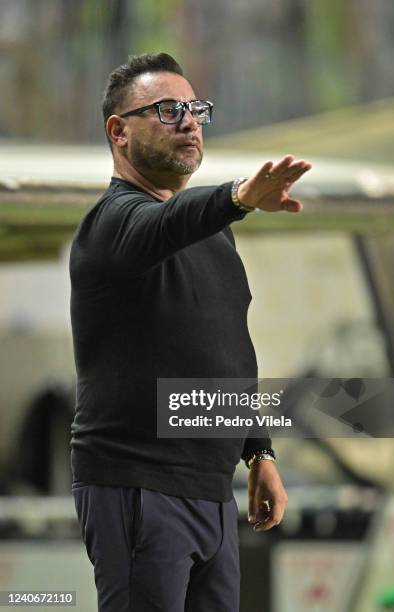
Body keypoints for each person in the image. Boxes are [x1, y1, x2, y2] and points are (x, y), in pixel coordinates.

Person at [69, 52, 312, 612]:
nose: (189, 121)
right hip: (138, 482)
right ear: (118, 131)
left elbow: (226, 348)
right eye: (168, 109)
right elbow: (162, 225)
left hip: (208, 489)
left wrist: (259, 451)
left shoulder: (213, 237)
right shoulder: (111, 224)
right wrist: (235, 198)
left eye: (196, 109)